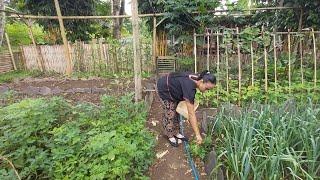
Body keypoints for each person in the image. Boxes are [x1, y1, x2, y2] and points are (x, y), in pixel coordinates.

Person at [156, 70, 216, 147]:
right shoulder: (190, 87)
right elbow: (191, 113)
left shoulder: (197, 78)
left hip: (174, 88)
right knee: (170, 112)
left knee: (177, 111)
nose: (206, 91)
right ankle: (169, 135)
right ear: (202, 81)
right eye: (207, 88)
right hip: (164, 88)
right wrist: (198, 135)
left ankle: (176, 132)